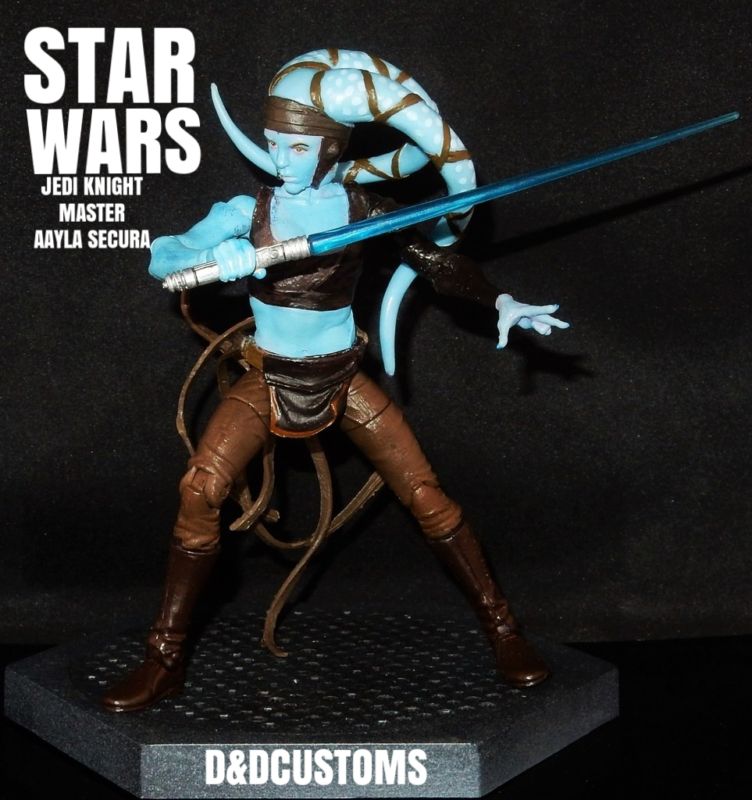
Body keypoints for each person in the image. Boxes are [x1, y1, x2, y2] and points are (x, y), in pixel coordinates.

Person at [103, 49, 569, 713]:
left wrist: (500, 301)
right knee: (200, 489)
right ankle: (165, 658)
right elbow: (163, 256)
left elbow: (436, 262)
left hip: (343, 380)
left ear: (329, 149)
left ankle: (504, 630)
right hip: (267, 377)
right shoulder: (247, 209)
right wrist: (215, 254)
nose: (281, 159)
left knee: (427, 496)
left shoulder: (364, 209)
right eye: (273, 144)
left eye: (296, 147)